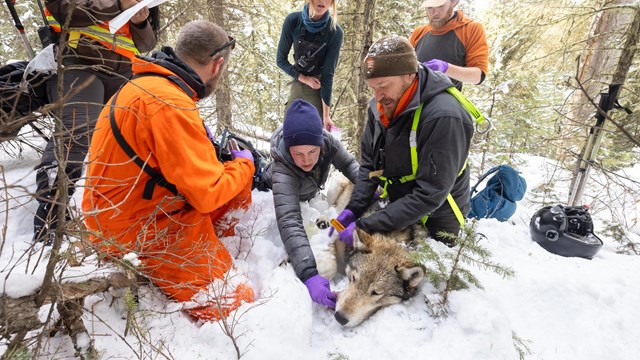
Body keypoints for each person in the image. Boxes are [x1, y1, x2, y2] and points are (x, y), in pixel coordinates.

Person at [82, 20, 255, 322]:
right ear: (217, 65)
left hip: (118, 211)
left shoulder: (146, 85)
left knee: (234, 180)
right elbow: (207, 195)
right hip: (140, 228)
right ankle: (197, 260)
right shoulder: (170, 105)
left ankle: (208, 245)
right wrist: (245, 163)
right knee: (239, 303)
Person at [33, 0, 159, 244]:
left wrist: (140, 21)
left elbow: (146, 44)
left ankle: (126, 216)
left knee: (134, 137)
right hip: (79, 63)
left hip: (122, 71)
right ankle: (50, 219)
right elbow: (65, 10)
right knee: (76, 135)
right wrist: (120, 4)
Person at [333, 35, 474, 247]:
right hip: (400, 203)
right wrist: (353, 210)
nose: (378, 96)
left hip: (438, 215)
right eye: (373, 88)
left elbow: (429, 194)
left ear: (409, 75)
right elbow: (369, 168)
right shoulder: (380, 107)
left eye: (383, 85)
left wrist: (367, 226)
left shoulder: (444, 116)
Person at [261, 99, 359, 309]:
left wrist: (370, 190)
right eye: (298, 153)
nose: (306, 160)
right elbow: (290, 221)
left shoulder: (328, 142)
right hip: (285, 198)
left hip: (311, 195)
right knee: (315, 239)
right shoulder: (283, 172)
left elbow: (350, 164)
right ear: (289, 148)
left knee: (327, 221)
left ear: (320, 144)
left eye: (312, 152)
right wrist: (309, 274)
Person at [276, 0, 343, 130]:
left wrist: (326, 115)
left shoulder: (335, 32)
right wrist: (304, 79)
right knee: (289, 130)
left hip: (318, 87)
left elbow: (328, 75)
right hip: (298, 80)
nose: (322, 1)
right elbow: (281, 60)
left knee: (314, 135)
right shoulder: (293, 20)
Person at [409, 0, 488, 90]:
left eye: (440, 6)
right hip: (417, 100)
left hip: (448, 101)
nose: (434, 12)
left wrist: (446, 68)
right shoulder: (418, 33)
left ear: (453, 2)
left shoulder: (470, 29)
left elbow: (478, 76)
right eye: (429, 7)